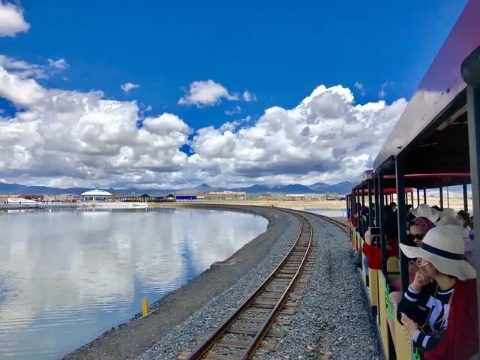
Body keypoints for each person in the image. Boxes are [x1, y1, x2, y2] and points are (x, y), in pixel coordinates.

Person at [396, 225, 478, 359]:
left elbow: (454, 347)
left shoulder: (465, 297)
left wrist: (416, 335)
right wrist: (415, 286)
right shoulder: (432, 287)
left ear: (438, 264)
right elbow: (402, 314)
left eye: (423, 258)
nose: (419, 261)